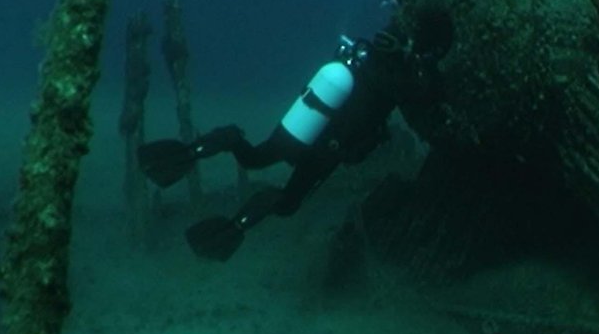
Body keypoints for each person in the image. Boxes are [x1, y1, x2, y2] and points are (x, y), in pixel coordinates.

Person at [137, 29, 407, 261]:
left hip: (297, 128)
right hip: (324, 152)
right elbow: (359, 142)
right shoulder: (387, 86)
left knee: (253, 158)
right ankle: (236, 225)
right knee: (288, 203)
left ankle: (214, 143)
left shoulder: (354, 62)